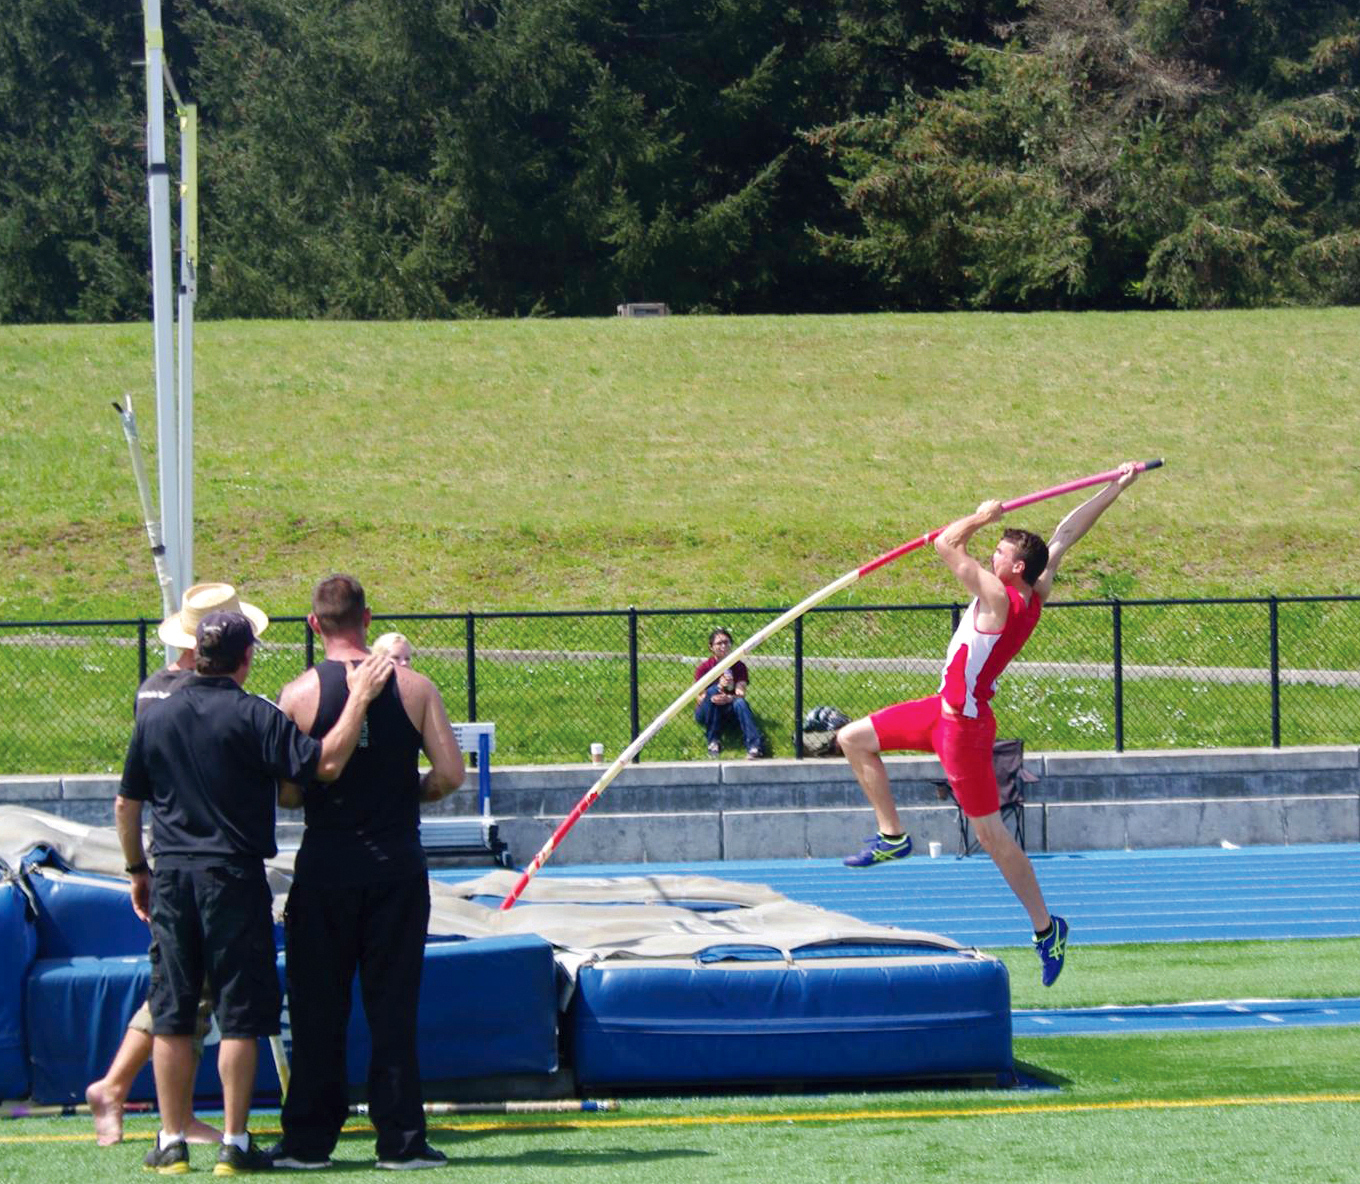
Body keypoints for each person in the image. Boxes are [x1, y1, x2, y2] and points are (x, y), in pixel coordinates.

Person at [836, 463, 1141, 987]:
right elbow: (1067, 533)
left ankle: (1047, 929)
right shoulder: (1034, 590)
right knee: (852, 738)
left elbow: (947, 545)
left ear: (1017, 568)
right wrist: (1117, 485)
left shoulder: (1000, 600)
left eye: (1000, 552)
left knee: (992, 835)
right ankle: (892, 835)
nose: (993, 555)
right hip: (941, 708)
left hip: (963, 730)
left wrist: (978, 519)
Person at [116, 608, 392, 1175]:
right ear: (246, 658)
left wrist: (136, 868)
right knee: (241, 1015)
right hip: (233, 876)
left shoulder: (156, 715)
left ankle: (171, 1141)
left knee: (171, 1011)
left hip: (171, 874)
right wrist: (359, 697)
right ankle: (235, 1143)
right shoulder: (253, 715)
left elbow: (127, 803)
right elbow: (327, 763)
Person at [267, 575, 465, 1172]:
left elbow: (290, 797)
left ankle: (308, 1141)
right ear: (369, 618)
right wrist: (407, 795)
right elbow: (451, 775)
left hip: (326, 866)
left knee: (316, 1008)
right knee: (393, 1006)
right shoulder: (415, 686)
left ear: (313, 624)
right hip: (396, 866)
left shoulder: (298, 694)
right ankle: (401, 1139)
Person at [88, 582, 269, 1148]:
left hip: (172, 858)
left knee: (179, 990)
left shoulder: (156, 693)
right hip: (210, 857)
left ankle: (166, 1116)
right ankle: (127, 1092)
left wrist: (137, 866)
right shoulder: (182, 697)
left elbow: (133, 794)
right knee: (197, 996)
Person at [693, 627, 765, 759]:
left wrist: (729, 698)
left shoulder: (739, 666)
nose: (723, 646)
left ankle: (755, 746)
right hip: (707, 711)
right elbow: (699, 698)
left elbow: (740, 692)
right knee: (713, 690)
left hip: (729, 710)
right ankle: (713, 741)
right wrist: (717, 689)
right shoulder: (704, 668)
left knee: (740, 703)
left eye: (726, 642)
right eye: (719, 643)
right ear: (711, 647)